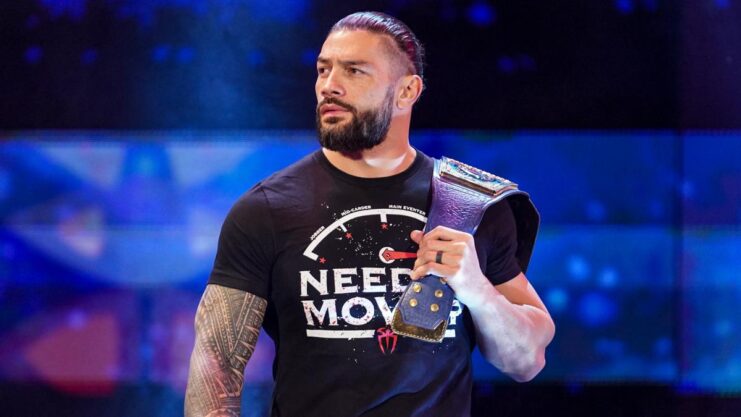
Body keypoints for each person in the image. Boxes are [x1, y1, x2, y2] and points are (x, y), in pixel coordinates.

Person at [185, 11, 555, 417]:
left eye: (354, 71)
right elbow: (216, 365)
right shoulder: (265, 210)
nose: (329, 86)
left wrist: (477, 290)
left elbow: (527, 361)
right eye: (323, 70)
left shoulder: (467, 206)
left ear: (407, 91)